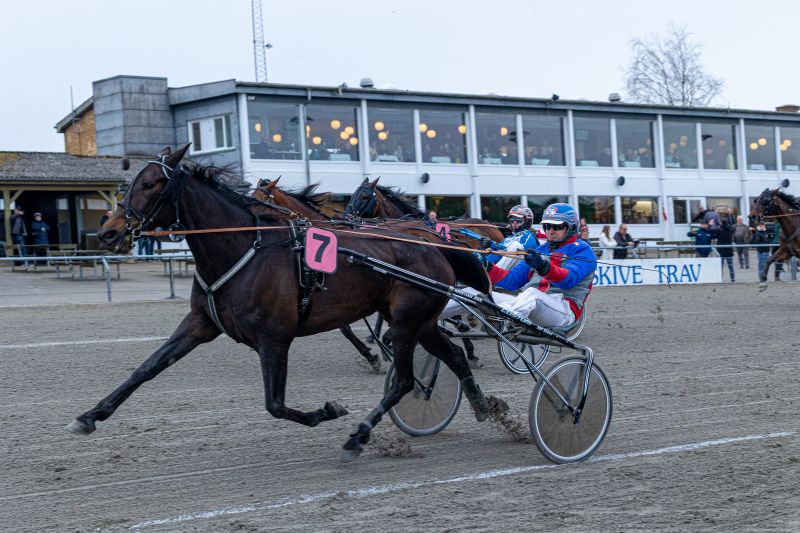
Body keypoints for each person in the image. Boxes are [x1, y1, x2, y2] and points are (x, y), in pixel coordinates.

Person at [442, 203, 594, 329]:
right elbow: (514, 280)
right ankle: (432, 315)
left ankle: (501, 320)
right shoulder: (540, 250)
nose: (550, 231)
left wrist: (544, 267)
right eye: (547, 226)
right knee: (472, 292)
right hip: (526, 305)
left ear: (570, 228)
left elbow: (569, 280)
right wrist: (487, 267)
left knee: (532, 294)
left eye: (557, 227)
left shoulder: (582, 250)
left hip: (563, 311)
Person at [481, 205, 539, 270]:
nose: (514, 222)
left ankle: (497, 274)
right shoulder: (507, 239)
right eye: (512, 220)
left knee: (515, 245)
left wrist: (493, 244)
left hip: (523, 272)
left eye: (518, 220)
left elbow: (515, 251)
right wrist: (482, 262)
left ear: (527, 221)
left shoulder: (529, 237)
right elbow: (498, 254)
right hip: (509, 271)